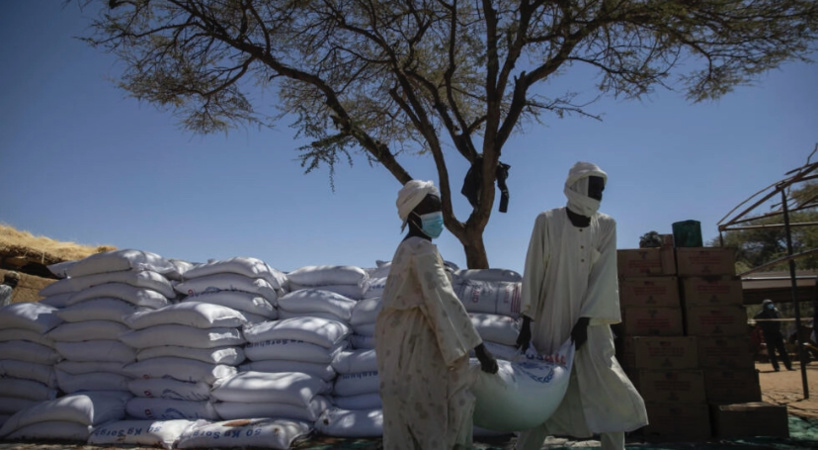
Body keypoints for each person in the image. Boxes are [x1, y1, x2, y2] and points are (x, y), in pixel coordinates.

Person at [515, 162, 648, 450]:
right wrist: (527, 319)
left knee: (607, 383)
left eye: (602, 188)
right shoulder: (547, 221)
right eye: (594, 187)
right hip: (551, 318)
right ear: (577, 187)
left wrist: (585, 321)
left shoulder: (607, 225)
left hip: (593, 322)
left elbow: (604, 276)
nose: (600, 193)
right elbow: (534, 269)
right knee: (543, 388)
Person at [375, 179, 498, 450]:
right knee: (430, 417)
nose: (438, 216)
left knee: (407, 419)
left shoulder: (408, 248)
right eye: (432, 209)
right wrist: (477, 346)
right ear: (414, 213)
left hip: (400, 346)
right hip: (414, 347)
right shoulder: (420, 249)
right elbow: (442, 298)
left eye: (439, 209)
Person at [754, 299, 794, 371]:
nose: (771, 305)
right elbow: (756, 319)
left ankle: (789, 366)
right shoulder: (762, 314)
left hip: (777, 333)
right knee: (771, 351)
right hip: (768, 334)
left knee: (783, 350)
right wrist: (764, 327)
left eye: (771, 303)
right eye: (768, 304)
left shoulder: (775, 311)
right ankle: (776, 367)